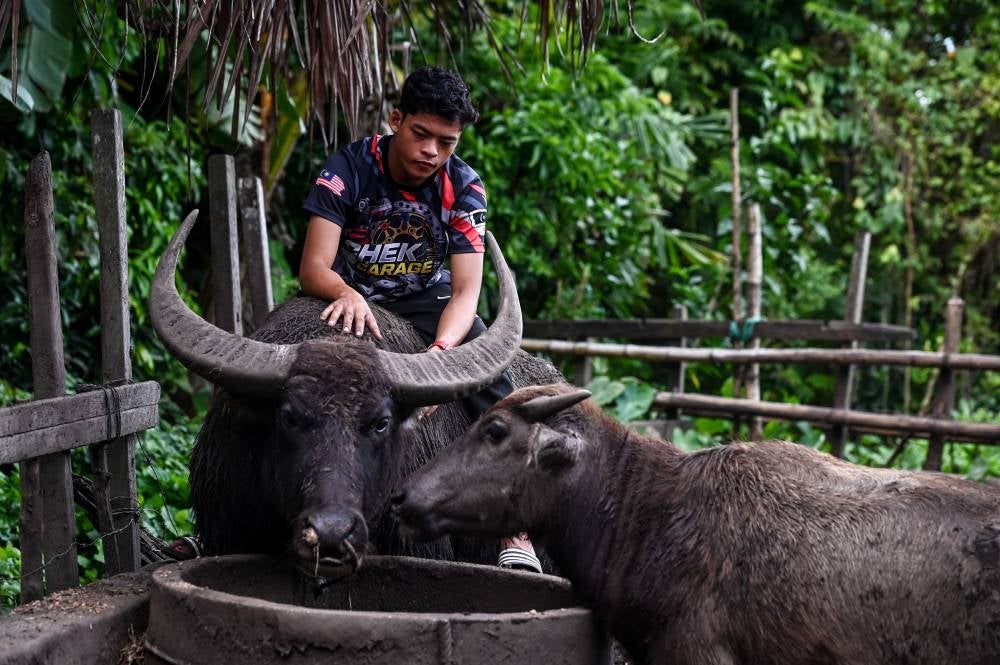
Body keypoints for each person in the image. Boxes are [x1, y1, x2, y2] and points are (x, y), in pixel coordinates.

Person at [298, 66, 541, 574]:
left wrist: (442, 354)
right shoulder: (348, 167)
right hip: (349, 295)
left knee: (491, 372)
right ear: (396, 120)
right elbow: (314, 266)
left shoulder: (464, 187)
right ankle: (224, 515)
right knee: (284, 366)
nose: (432, 151)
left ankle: (515, 527)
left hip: (424, 300)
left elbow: (466, 292)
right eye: (421, 134)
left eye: (446, 142)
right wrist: (346, 292)